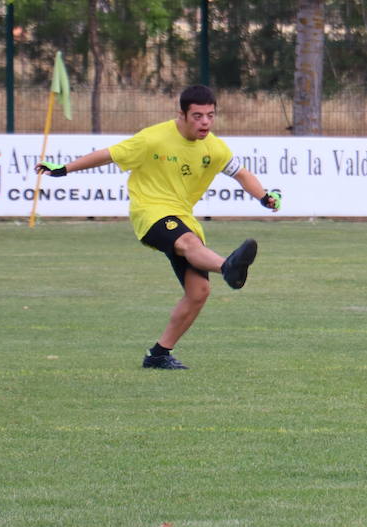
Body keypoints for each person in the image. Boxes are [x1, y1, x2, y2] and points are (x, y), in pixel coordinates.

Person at [35, 84, 281, 370]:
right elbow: (108, 154)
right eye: (198, 116)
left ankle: (159, 354)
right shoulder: (153, 139)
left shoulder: (214, 147)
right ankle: (228, 267)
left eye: (210, 116)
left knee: (199, 291)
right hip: (150, 213)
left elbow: (241, 173)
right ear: (182, 114)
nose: (205, 123)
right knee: (189, 244)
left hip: (183, 217)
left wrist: (263, 196)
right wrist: (64, 169)